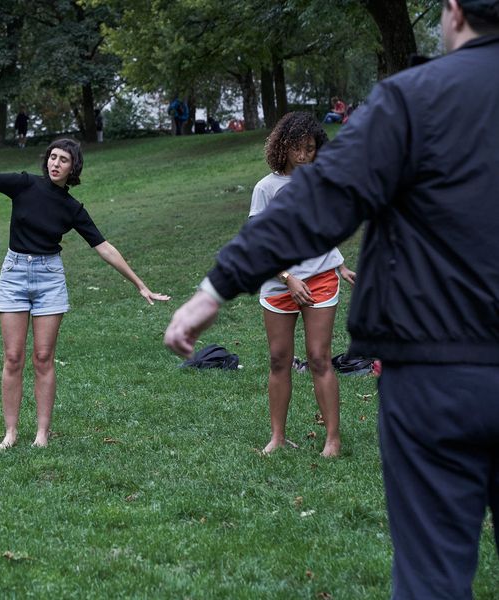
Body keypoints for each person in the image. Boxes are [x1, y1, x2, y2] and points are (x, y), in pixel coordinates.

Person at [164, 1, 499, 597]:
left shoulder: (412, 99)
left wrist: (215, 288)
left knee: (434, 577)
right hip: (434, 364)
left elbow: (320, 202)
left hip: (434, 376)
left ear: (452, 11)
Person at [0, 138, 169, 449]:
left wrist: (140, 284)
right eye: (53, 157)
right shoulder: (24, 184)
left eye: (63, 160)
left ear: (73, 168)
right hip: (14, 275)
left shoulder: (72, 209)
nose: (55, 163)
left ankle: (42, 435)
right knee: (13, 357)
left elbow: (105, 248)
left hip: (49, 278)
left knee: (43, 357)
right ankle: (10, 433)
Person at [248, 113, 355, 457]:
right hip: (280, 282)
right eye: (298, 148)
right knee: (280, 359)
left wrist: (340, 265)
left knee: (319, 358)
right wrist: (287, 277)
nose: (304, 155)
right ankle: (277, 437)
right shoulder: (266, 188)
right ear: (283, 146)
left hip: (320, 279)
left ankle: (333, 440)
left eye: (310, 149)